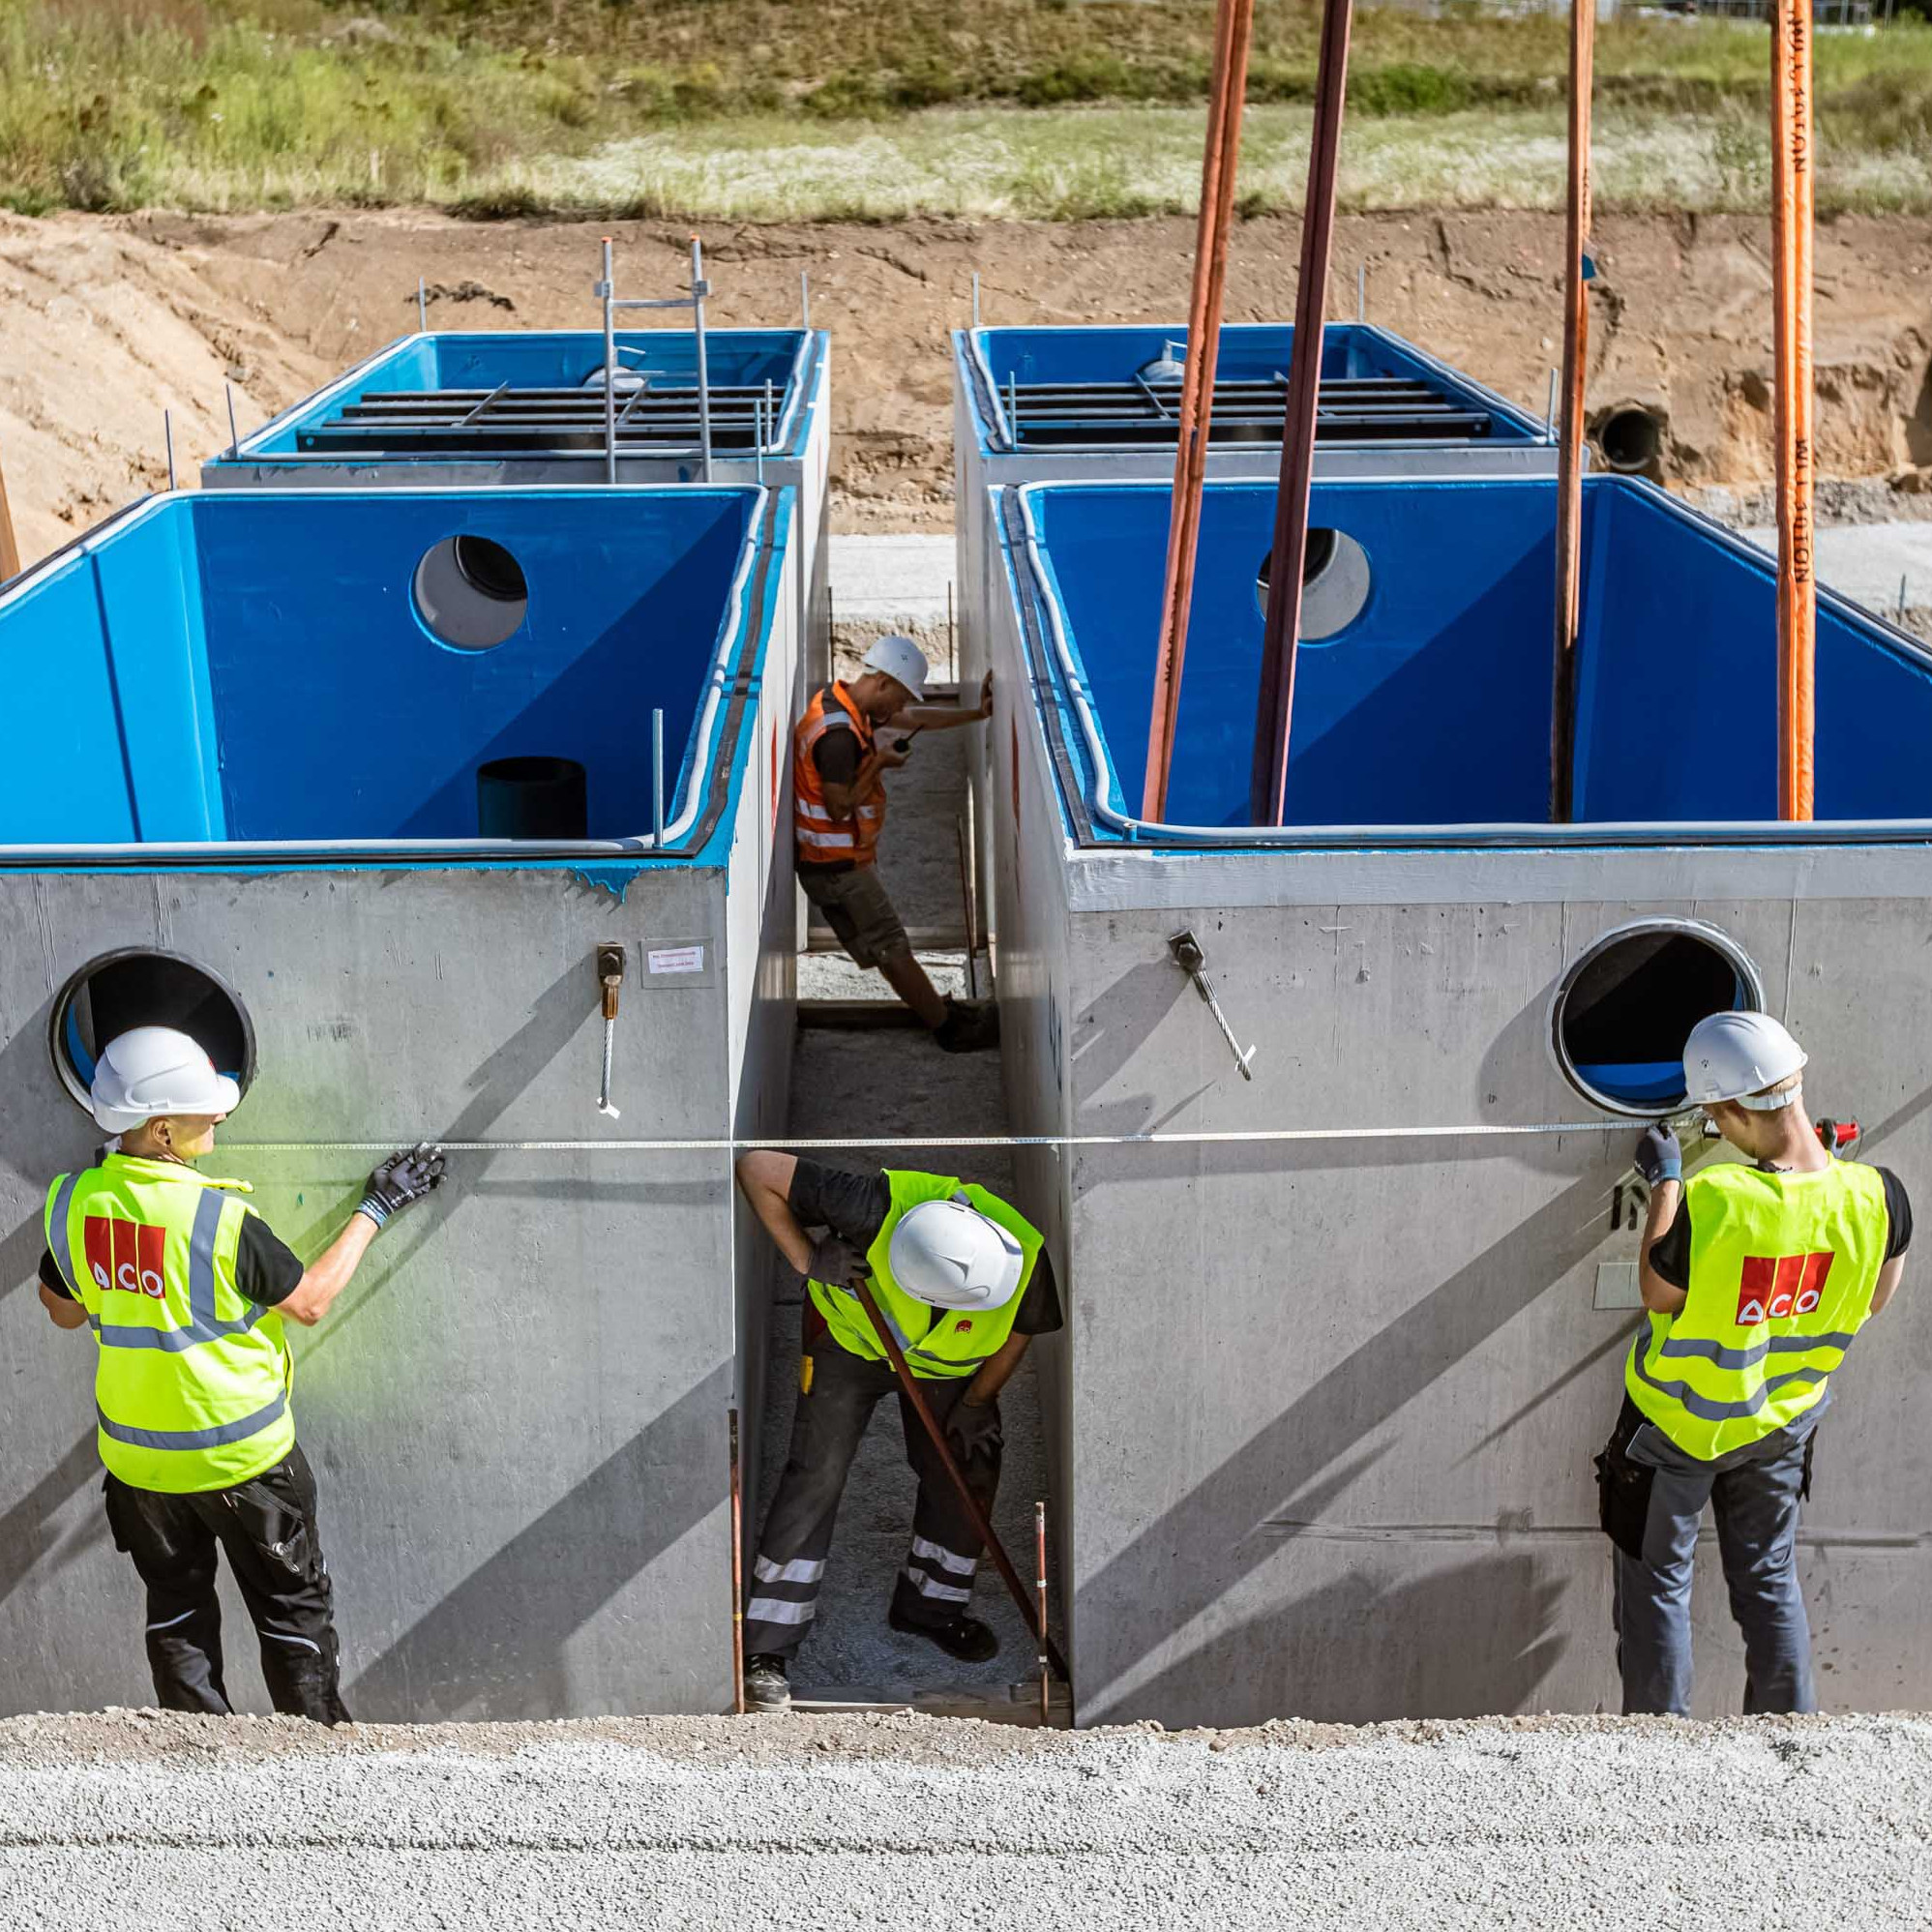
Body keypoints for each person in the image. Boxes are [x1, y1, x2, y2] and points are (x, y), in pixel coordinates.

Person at [35, 1025, 447, 1725]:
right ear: (162, 1129)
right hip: (243, 1463)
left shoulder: (75, 1201)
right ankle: (310, 1764)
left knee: (177, 1615)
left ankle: (201, 1767)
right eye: (204, 1108)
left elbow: (63, 1310)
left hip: (141, 1470)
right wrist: (376, 1208)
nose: (220, 1115)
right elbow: (310, 1301)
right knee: (291, 1615)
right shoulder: (217, 1218)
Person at [1597, 1010, 1910, 1716]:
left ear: (1727, 1111)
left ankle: (1657, 1752)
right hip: (1781, 1422)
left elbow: (1657, 1288)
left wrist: (1666, 1180)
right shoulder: (1878, 1195)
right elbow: (1869, 1301)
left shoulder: (1715, 1201)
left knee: (1657, 1589)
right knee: (1769, 1582)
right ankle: (1789, 1737)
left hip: (1677, 1428)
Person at [733, 1149, 1062, 1711]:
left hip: (949, 1370)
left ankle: (930, 1606)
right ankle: (768, 1644)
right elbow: (757, 1168)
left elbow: (1020, 1331)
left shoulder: (1022, 1255)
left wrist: (980, 1400)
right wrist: (808, 1259)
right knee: (816, 1474)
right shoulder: (873, 1206)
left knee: (969, 1461)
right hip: (850, 1342)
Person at [794, 633, 998, 1051]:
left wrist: (977, 713)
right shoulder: (838, 737)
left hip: (836, 861)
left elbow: (918, 719)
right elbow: (838, 807)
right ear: (883, 682)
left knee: (887, 947)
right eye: (901, 697)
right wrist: (881, 764)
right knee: (892, 946)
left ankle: (938, 1010)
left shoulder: (843, 706)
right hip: (837, 867)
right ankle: (949, 1030)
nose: (901, 708)